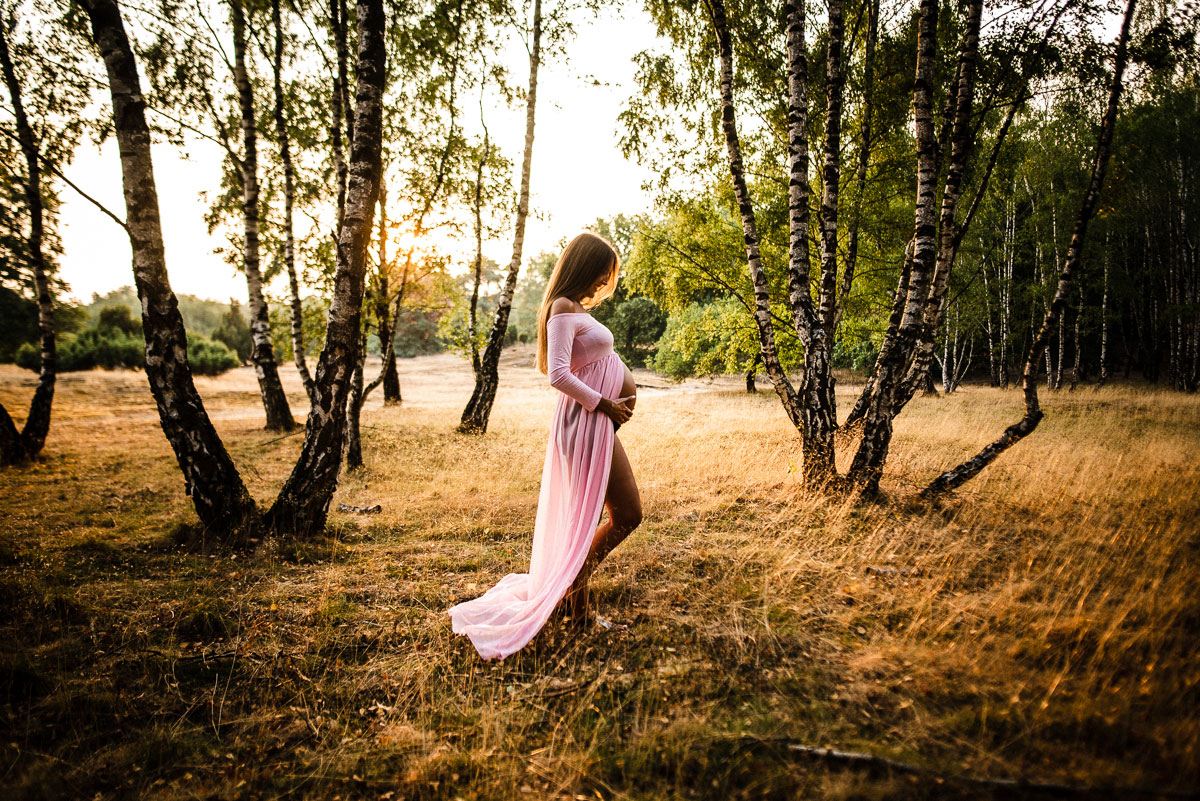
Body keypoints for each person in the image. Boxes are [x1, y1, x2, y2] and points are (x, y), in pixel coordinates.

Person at [448, 232, 642, 660]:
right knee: (628, 515)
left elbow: (595, 362)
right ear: (583, 266)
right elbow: (556, 374)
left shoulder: (575, 311)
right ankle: (577, 596)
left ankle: (577, 599)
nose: (600, 284)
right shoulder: (561, 309)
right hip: (586, 421)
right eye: (599, 274)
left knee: (614, 515)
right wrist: (605, 402)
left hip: (598, 425)